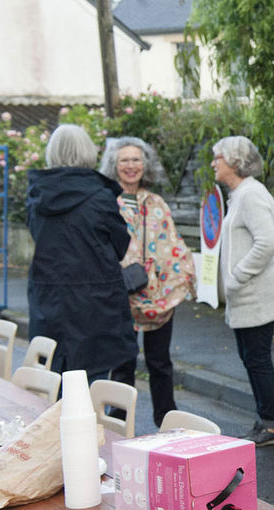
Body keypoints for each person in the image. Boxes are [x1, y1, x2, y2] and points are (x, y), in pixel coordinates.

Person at [25, 124, 136, 381]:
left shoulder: (36, 195)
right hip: (95, 305)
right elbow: (120, 245)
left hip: (48, 300)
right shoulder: (100, 196)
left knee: (52, 381)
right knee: (89, 386)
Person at [99, 137, 197, 428]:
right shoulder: (107, 202)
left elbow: (172, 244)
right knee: (122, 364)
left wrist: (180, 278)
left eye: (136, 160)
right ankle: (118, 424)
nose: (131, 166)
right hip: (121, 296)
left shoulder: (156, 203)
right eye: (124, 160)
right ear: (114, 166)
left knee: (161, 364)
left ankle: (166, 422)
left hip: (159, 296)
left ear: (146, 164)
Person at [211, 136, 274, 447]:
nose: (213, 164)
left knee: (257, 360)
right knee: (251, 358)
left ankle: (270, 427)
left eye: (218, 158)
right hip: (246, 297)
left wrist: (236, 277)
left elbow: (267, 243)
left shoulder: (251, 195)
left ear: (234, 162)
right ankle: (264, 422)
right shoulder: (241, 194)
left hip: (255, 296)